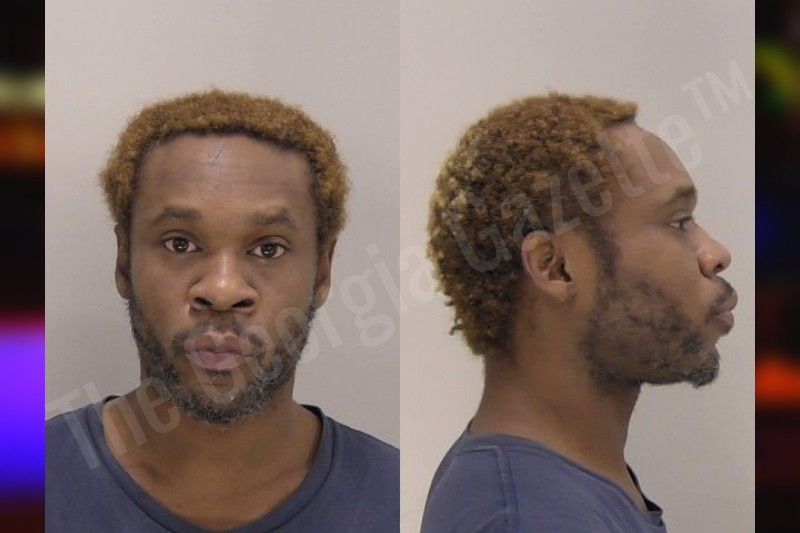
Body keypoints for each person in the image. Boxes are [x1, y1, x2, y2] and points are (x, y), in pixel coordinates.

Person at [46, 90, 399, 532]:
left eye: (268, 249)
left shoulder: (397, 501)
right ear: (124, 261)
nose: (223, 290)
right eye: (180, 243)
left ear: (322, 273)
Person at [421, 94, 737, 532]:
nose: (716, 253)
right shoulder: (527, 519)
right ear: (556, 267)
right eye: (679, 221)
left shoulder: (565, 481)